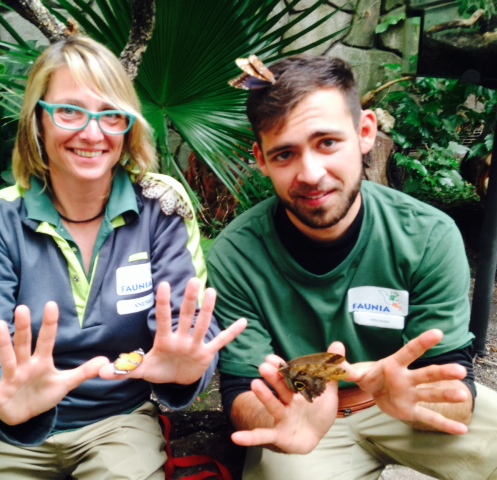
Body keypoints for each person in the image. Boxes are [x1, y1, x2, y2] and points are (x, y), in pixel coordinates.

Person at [0, 36, 246, 480]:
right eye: (69, 111)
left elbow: (185, 322)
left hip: (118, 422)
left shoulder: (161, 206)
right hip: (8, 433)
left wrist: (183, 371)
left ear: (129, 126)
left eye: (111, 115)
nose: (92, 132)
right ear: (37, 120)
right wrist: (5, 404)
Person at [207, 54, 497, 480]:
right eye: (285, 153)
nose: (311, 173)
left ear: (364, 132)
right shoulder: (236, 254)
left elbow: (455, 380)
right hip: (305, 418)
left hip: (405, 400)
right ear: (262, 159)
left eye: (327, 142)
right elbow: (241, 389)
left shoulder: (429, 235)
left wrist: (414, 400)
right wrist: (277, 423)